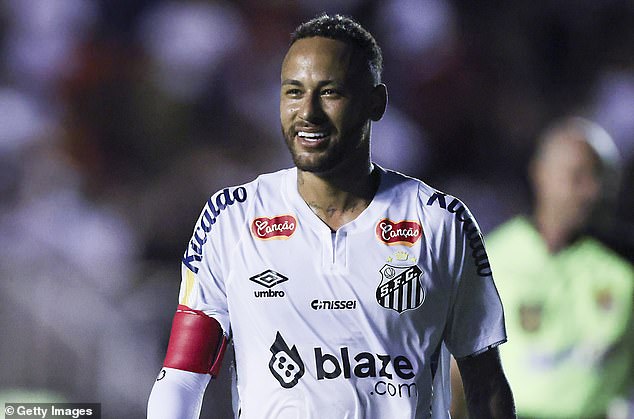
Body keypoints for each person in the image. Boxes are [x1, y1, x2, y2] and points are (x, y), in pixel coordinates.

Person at [147, 14, 515, 419]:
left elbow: (485, 383)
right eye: (293, 92)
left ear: (376, 103)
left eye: (330, 92)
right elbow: (182, 376)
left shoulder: (441, 223)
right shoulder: (231, 219)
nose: (308, 112)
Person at [452, 117, 634, 419]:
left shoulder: (623, 266)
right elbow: (458, 374)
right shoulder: (491, 259)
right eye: (578, 176)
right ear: (541, 174)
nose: (592, 191)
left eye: (602, 179)